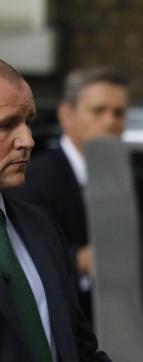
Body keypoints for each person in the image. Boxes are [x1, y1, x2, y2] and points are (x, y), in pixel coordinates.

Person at [0, 59, 110, 361]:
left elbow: (79, 349)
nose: (28, 141)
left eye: (29, 122)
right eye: (6, 124)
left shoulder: (41, 227)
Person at [8, 67, 128, 321]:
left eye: (118, 113)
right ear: (66, 114)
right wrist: (79, 260)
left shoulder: (124, 178)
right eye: (98, 111)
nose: (110, 122)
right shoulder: (27, 178)